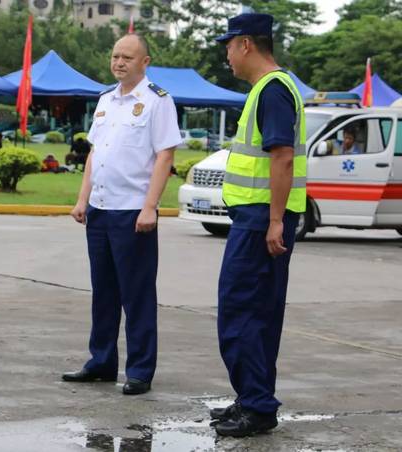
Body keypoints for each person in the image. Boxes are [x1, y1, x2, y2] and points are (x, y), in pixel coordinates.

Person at [62, 33, 182, 396]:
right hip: (100, 210)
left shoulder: (157, 102)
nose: (119, 62)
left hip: (133, 213)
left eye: (128, 57)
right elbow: (95, 155)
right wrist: (82, 199)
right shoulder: (105, 101)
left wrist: (150, 207)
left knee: (137, 294)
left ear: (145, 62)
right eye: (115, 56)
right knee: (104, 292)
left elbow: (165, 156)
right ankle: (100, 362)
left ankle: (140, 370)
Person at [211, 13, 307, 436]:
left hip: (260, 221)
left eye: (229, 46)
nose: (227, 56)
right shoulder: (270, 89)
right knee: (257, 315)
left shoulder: (271, 90)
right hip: (257, 219)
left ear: (246, 44)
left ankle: (257, 406)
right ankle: (253, 399)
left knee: (241, 314)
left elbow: (282, 156)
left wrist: (272, 222)